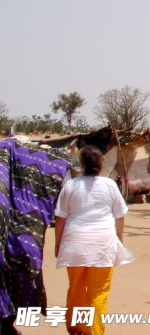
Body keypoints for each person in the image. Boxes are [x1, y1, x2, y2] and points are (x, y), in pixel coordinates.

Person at [53, 145, 135, 335]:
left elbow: (60, 218)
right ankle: (94, 331)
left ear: (81, 164)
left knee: (76, 288)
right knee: (99, 291)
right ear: (101, 163)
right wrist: (118, 241)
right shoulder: (109, 185)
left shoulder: (71, 185)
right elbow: (119, 216)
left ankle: (76, 328)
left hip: (74, 244)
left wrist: (58, 244)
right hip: (103, 244)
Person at [0, 138, 73, 335]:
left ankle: (6, 325)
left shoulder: (6, 178)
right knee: (19, 281)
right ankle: (7, 325)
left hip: (12, 241)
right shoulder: (34, 192)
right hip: (27, 242)